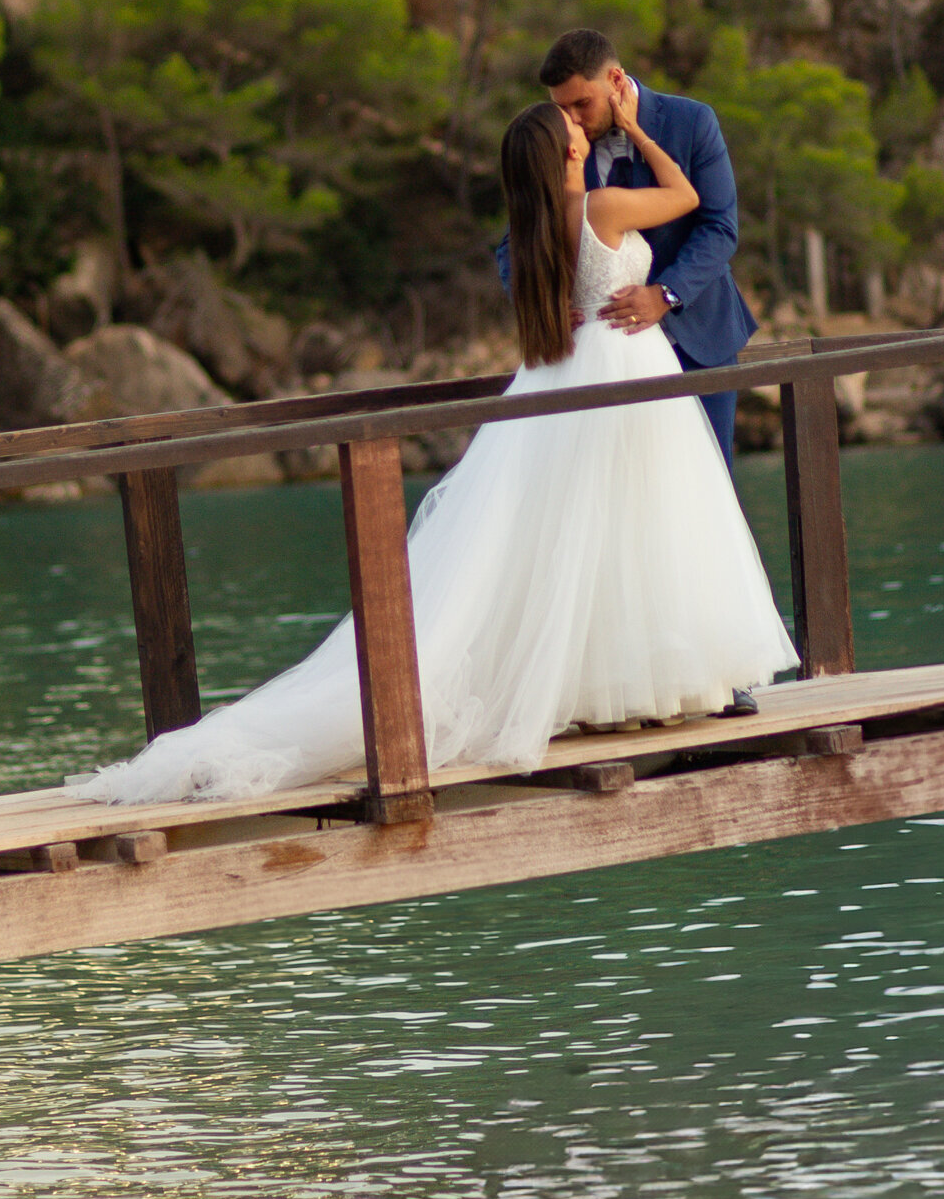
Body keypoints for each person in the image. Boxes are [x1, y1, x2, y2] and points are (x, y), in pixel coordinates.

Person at [67, 85, 792, 807]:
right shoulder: (600, 209)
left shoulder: (539, 226)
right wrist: (636, 129)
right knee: (633, 526)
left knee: (579, 532)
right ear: (567, 149)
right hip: (623, 366)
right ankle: (646, 687)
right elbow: (686, 196)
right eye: (569, 123)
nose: (580, 125)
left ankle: (612, 691)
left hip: (572, 369)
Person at [503, 27, 758, 465]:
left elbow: (720, 227)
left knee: (709, 484)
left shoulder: (693, 121)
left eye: (582, 103)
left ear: (616, 81)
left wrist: (666, 295)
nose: (574, 119)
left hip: (699, 339)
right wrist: (546, 301)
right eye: (561, 108)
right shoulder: (562, 146)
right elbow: (516, 242)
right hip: (600, 362)